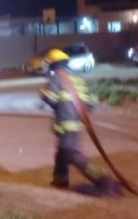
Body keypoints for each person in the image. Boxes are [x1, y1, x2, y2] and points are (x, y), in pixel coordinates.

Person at [39, 48, 118, 194]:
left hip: (66, 124)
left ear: (53, 65)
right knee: (62, 152)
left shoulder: (56, 79)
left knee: (71, 154)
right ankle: (60, 179)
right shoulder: (77, 79)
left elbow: (50, 99)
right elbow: (91, 103)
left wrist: (43, 92)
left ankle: (102, 179)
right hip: (77, 123)